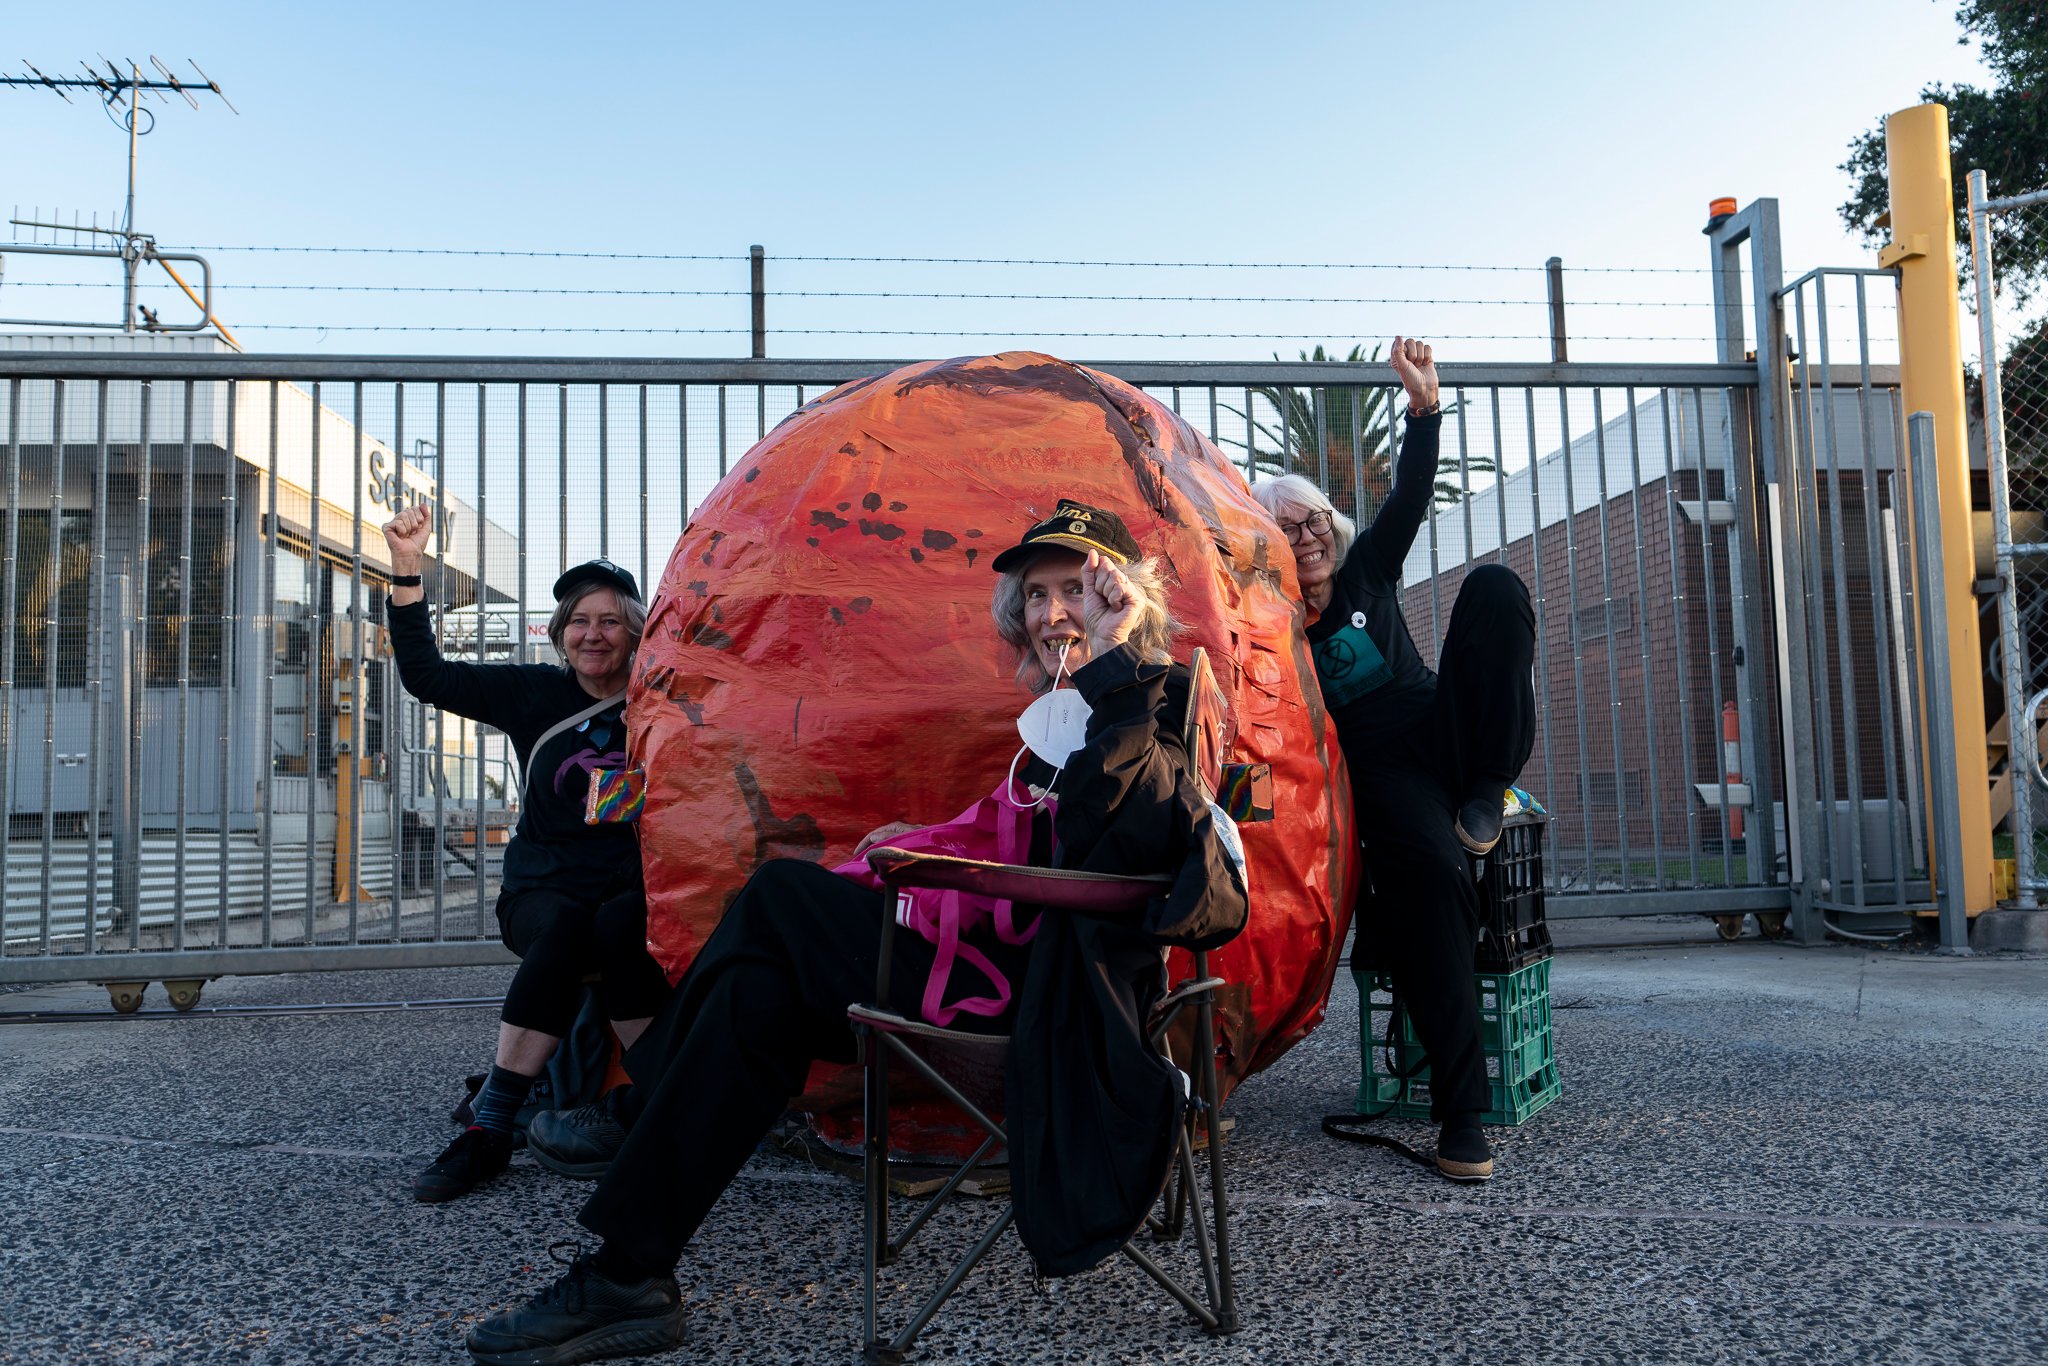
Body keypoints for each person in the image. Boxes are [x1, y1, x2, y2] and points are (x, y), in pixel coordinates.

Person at [462, 499, 1247, 1366]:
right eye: (1037, 594)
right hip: (990, 958)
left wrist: (1114, 659)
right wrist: (922, 843)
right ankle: (627, 1273)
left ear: (1126, 598)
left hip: (1049, 995)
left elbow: (1129, 839)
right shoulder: (1060, 711)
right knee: (757, 998)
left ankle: (641, 1107)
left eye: (1078, 590)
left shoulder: (1155, 696)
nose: (1054, 611)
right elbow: (1022, 834)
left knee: (780, 897)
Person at [1252, 337, 1535, 1185]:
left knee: (1494, 588)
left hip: (1441, 733)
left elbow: (1410, 493)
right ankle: (1462, 1115)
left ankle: (1488, 792)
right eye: (1285, 526)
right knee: (1435, 878)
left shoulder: (1369, 568)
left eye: (1313, 519)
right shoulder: (1268, 626)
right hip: (1382, 776)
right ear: (1265, 543)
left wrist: (1425, 409)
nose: (1306, 535)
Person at [380, 502, 673, 1203]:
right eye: (579, 620)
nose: (593, 634)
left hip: (630, 892)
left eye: (611, 621)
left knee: (623, 924)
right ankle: (490, 1128)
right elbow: (427, 677)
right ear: (560, 632)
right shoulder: (531, 692)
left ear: (637, 632)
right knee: (568, 927)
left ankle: (664, 1108)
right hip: (543, 893)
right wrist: (408, 569)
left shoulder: (665, 702)